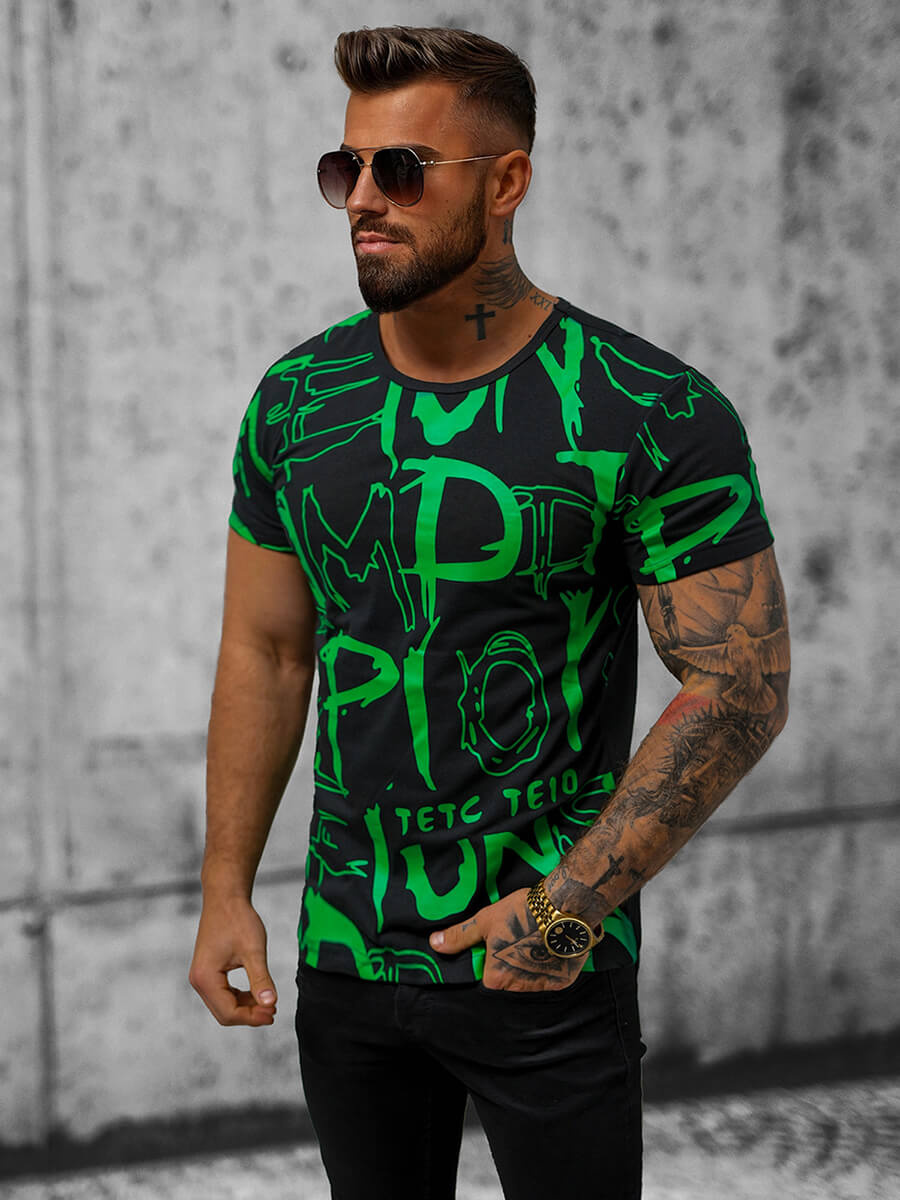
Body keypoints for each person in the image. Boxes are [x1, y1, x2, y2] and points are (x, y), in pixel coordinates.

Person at [189, 25, 790, 1200]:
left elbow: (742, 685)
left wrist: (569, 913)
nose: (365, 198)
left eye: (403, 169)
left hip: (545, 966)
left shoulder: (647, 409)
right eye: (347, 168)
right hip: (348, 959)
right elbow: (266, 653)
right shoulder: (300, 402)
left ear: (506, 181)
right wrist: (225, 891)